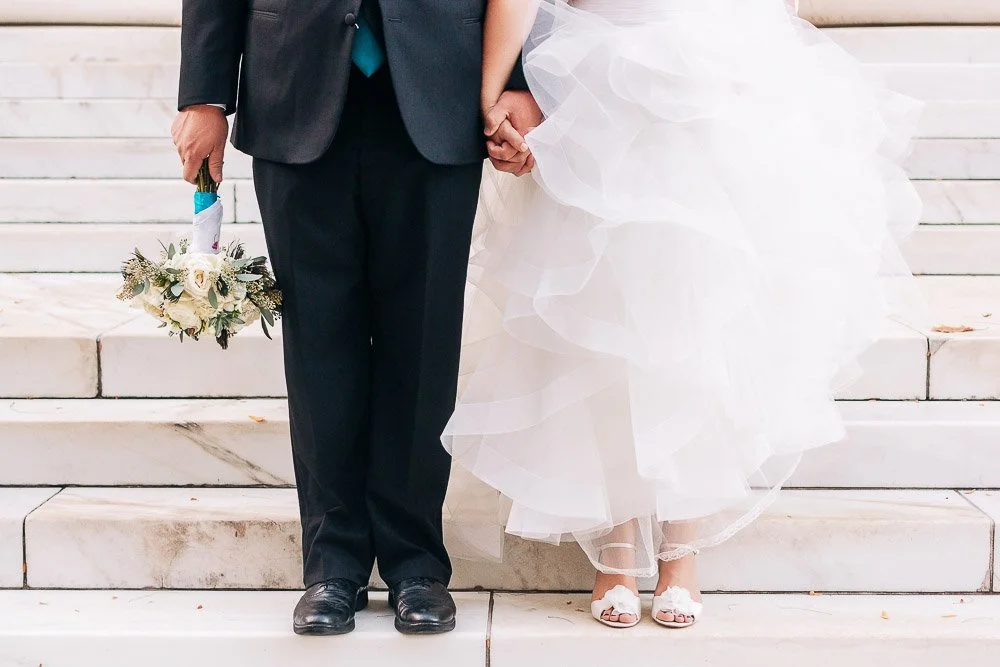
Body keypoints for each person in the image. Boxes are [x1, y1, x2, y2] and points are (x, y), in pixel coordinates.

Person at [447, 0, 921, 629]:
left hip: (701, 72)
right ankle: (617, 545)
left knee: (692, 304)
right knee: (604, 311)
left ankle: (681, 548)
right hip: (592, 73)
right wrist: (497, 91)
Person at [172, 0, 541, 635]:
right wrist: (205, 94)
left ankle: (416, 562)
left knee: (424, 343)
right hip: (294, 86)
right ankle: (331, 564)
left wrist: (520, 80)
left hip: (439, 91)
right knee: (317, 343)